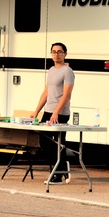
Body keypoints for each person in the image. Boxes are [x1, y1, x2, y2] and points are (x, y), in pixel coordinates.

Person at [31, 42, 75, 185]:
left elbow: (66, 95)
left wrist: (56, 112)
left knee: (59, 142)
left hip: (60, 113)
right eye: (54, 52)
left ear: (65, 54)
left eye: (60, 52)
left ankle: (57, 175)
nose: (57, 54)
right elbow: (46, 92)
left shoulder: (67, 72)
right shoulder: (50, 70)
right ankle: (63, 166)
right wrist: (37, 111)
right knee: (45, 142)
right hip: (48, 111)